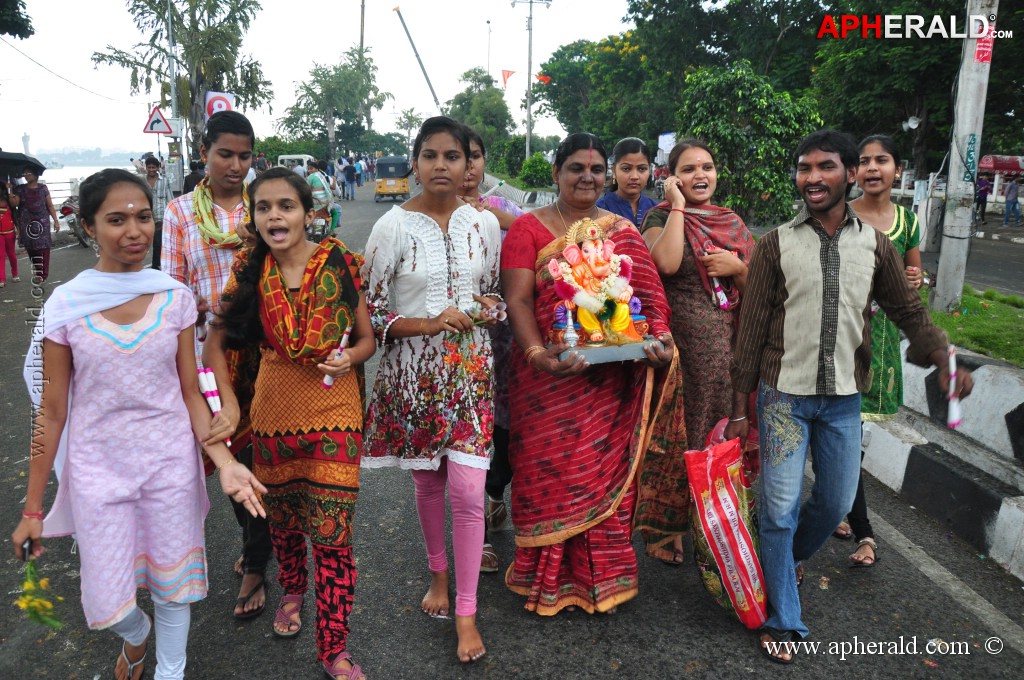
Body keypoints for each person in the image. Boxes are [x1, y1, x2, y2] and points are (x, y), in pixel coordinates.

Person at [724, 130, 974, 664]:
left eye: (825, 167)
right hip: (782, 399)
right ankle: (783, 616)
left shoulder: (875, 244)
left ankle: (780, 562)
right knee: (779, 507)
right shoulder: (774, 244)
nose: (811, 177)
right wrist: (737, 408)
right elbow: (751, 328)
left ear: (848, 175)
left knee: (836, 502)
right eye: (803, 168)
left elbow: (908, 312)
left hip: (842, 400)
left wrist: (945, 359)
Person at [12, 169, 266, 680]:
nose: (134, 230)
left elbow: (190, 392)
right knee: (109, 599)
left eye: (143, 217)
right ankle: (136, 636)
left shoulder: (173, 298)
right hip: (98, 470)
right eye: (116, 219)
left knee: (174, 589)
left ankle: (171, 671)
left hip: (169, 464)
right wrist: (33, 507)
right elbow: (53, 412)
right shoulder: (67, 306)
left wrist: (225, 461)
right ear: (87, 227)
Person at [204, 167, 374, 680]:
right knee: (283, 522)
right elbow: (214, 347)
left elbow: (367, 339)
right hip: (273, 411)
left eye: (286, 205)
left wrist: (351, 358)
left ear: (309, 213)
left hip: (335, 411)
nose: (275, 215)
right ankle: (293, 589)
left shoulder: (340, 263)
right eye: (264, 207)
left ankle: (334, 647)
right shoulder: (248, 271)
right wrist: (229, 406)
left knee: (333, 533)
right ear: (254, 219)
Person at [500, 132, 674, 616]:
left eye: (597, 170)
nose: (587, 177)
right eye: (576, 167)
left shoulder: (621, 230)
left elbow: (650, 299)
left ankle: (603, 582)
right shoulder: (529, 230)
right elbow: (517, 300)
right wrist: (538, 355)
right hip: (547, 379)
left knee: (603, 473)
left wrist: (658, 343)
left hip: (611, 380)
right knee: (548, 471)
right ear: (556, 172)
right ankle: (547, 582)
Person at [361, 116, 502, 664]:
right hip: (412, 376)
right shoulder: (391, 228)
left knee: (468, 492)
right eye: (430, 156)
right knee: (429, 483)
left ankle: (465, 611)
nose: (442, 166)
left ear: (469, 165)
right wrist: (426, 323)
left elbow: (488, 292)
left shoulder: (483, 225)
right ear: (415, 162)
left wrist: (485, 310)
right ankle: (437, 576)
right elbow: (369, 314)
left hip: (470, 373)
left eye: (453, 156)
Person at [161, 110, 274, 621]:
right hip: (212, 353)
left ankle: (257, 558)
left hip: (272, 350)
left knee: (268, 452)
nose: (235, 165)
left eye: (244, 156)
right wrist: (199, 311)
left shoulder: (264, 205)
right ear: (204, 152)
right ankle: (257, 548)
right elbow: (172, 290)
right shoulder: (181, 213)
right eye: (224, 154)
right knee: (229, 450)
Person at [637, 138, 755, 565]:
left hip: (726, 350)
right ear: (672, 177)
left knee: (718, 434)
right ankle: (663, 527)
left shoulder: (731, 222)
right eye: (688, 169)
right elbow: (664, 265)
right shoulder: (659, 216)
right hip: (679, 349)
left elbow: (759, 293)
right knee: (675, 434)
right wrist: (678, 208)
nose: (699, 176)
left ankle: (711, 521)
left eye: (707, 167)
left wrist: (738, 268)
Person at [828, 134, 925, 567]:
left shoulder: (909, 222)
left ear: (897, 169)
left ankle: (839, 504)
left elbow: (914, 276)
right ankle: (865, 532)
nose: (871, 168)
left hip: (883, 345)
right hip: (843, 339)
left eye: (881, 160)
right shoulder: (839, 216)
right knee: (846, 435)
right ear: (853, 172)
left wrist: (917, 281)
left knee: (855, 438)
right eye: (864, 161)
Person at [458, 128, 525, 573]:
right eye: (455, 158)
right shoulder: (437, 215)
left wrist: (498, 220)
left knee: (506, 429)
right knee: (469, 433)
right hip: (459, 338)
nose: (466, 168)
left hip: (510, 338)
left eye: (475, 157)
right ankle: (474, 530)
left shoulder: (510, 210)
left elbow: (544, 238)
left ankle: (495, 496)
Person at [9, 166, 59, 283]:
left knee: (43, 249)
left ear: (36, 175)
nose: (26, 175)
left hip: (42, 223)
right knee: (31, 248)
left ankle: (43, 274)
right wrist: (10, 191)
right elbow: (14, 203)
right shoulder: (20, 189)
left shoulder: (43, 188)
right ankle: (38, 270)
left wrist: (56, 221)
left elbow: (50, 205)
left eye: (29, 173)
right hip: (27, 223)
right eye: (25, 173)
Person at [597, 137, 658, 226]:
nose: (634, 176)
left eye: (642, 169)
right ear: (614, 171)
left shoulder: (657, 209)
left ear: (649, 171)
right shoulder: (599, 210)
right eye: (626, 169)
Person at [144, 157, 174, 270]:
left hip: (161, 217)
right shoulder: (142, 182)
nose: (151, 169)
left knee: (158, 243)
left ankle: (156, 266)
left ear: (157, 168)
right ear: (146, 168)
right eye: (149, 167)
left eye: (153, 167)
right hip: (145, 217)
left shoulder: (164, 181)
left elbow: (170, 198)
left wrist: (171, 215)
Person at [0, 180, 19, 288]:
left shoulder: (8, 201)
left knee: (11, 254)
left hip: (10, 232)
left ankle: (15, 274)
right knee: (0, 255)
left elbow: (15, 215)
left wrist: (10, 189)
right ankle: (2, 279)